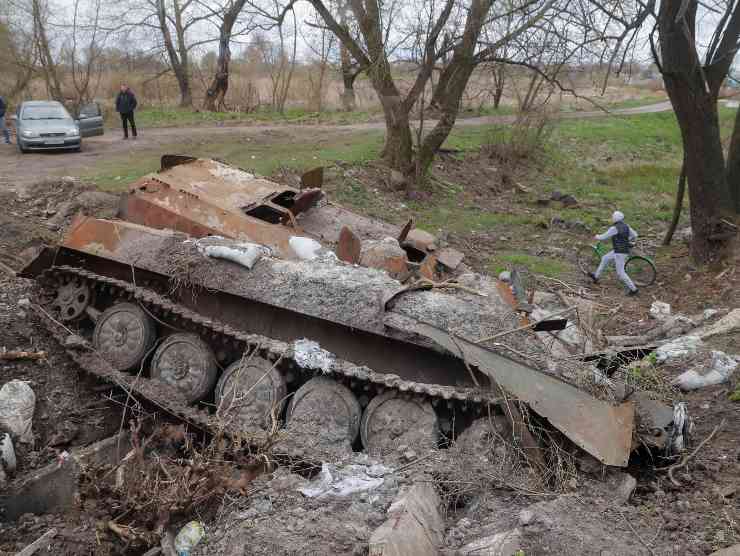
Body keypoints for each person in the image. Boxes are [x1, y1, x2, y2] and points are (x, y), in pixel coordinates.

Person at [589, 210, 639, 296]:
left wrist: (596, 236)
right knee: (605, 258)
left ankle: (634, 289)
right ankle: (596, 276)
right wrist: (628, 240)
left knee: (620, 272)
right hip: (621, 250)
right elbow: (635, 235)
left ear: (614, 219)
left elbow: (603, 237)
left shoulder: (614, 228)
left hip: (619, 252)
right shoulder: (626, 226)